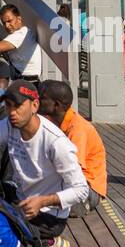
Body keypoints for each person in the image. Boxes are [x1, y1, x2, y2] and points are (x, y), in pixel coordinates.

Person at [0, 79, 89, 247]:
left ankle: (49, 243)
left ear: (34, 105)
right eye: (9, 106)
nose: (12, 112)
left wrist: (43, 201)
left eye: (18, 106)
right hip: (21, 199)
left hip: (48, 215)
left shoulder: (56, 142)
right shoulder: (8, 125)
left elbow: (82, 191)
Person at [38, 80, 107, 213]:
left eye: (43, 98)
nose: (38, 101)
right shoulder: (56, 121)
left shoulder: (77, 129)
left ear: (56, 105)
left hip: (88, 188)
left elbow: (73, 169)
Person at [0, 4, 44, 81]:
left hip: (25, 81)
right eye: (4, 23)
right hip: (29, 80)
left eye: (9, 21)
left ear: (19, 19)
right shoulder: (25, 32)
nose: (7, 26)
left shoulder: (21, 34)